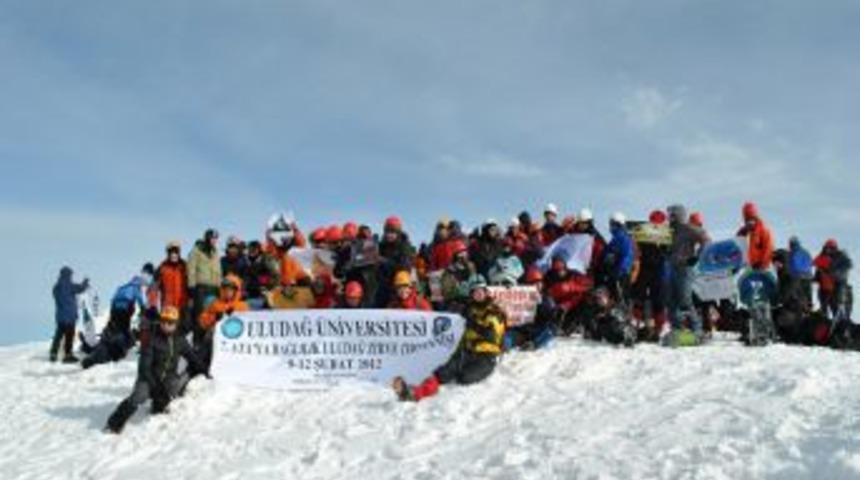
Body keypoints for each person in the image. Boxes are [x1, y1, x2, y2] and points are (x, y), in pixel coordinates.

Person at [391, 277, 506, 402]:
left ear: (486, 292)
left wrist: (472, 323)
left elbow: (491, 335)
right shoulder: (470, 308)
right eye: (474, 292)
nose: (478, 294)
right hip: (467, 352)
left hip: (487, 356)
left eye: (480, 291)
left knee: (465, 378)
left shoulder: (495, 311)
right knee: (442, 374)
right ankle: (413, 393)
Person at [104, 306, 208, 434]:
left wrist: (205, 371)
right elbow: (144, 367)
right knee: (139, 396)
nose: (166, 325)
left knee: (174, 387)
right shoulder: (151, 339)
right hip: (149, 378)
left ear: (176, 324)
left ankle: (158, 405)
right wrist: (156, 387)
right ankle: (114, 423)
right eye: (163, 321)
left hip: (168, 377)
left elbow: (192, 356)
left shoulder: (180, 340)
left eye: (170, 322)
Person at [82, 266, 153, 369]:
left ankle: (95, 352)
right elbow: (141, 302)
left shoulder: (122, 287)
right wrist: (145, 312)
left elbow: (113, 300)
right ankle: (106, 354)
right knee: (120, 337)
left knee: (113, 332)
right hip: (124, 312)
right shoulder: (136, 288)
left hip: (115, 311)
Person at [666, 204, 710, 342]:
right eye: (669, 214)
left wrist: (697, 256)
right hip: (671, 268)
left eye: (673, 214)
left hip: (685, 268)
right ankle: (678, 329)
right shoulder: (668, 231)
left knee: (685, 299)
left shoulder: (688, 228)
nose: (670, 217)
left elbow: (706, 239)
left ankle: (697, 330)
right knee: (671, 300)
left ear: (680, 215)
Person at [632, 210, 671, 341]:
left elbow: (636, 248)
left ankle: (636, 325)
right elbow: (669, 253)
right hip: (658, 270)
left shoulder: (642, 231)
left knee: (639, 298)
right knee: (657, 301)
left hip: (646, 269)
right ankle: (658, 328)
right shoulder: (667, 234)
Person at [198, 275, 250, 370]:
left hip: (237, 336)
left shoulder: (243, 306)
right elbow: (202, 322)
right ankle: (201, 365)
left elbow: (250, 323)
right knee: (209, 335)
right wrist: (215, 317)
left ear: (236, 291)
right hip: (218, 336)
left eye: (230, 289)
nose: (227, 292)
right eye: (225, 289)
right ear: (222, 290)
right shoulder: (215, 304)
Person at [504, 266, 559, 350]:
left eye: (539, 283)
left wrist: (549, 310)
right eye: (533, 283)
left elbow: (551, 320)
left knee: (551, 330)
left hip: (538, 331)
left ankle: (534, 344)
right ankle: (503, 346)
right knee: (507, 336)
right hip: (522, 331)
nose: (537, 285)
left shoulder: (547, 299)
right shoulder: (520, 297)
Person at [545, 254, 594, 335]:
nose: (559, 272)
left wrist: (571, 287)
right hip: (558, 306)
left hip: (573, 305)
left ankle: (583, 327)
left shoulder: (574, 274)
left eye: (561, 269)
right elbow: (548, 292)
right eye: (556, 270)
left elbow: (588, 286)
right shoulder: (549, 277)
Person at [187, 229, 222, 340]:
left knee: (213, 315)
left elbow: (219, 270)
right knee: (200, 315)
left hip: (214, 287)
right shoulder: (196, 251)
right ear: (207, 238)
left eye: (216, 239)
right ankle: (198, 342)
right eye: (212, 238)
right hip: (201, 287)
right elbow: (191, 269)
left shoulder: (215, 252)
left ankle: (210, 342)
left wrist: (220, 285)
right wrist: (191, 286)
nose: (214, 241)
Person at [50, 267, 90, 363]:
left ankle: (53, 353)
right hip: (70, 316)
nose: (72, 276)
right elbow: (80, 288)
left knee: (58, 335)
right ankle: (68, 355)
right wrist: (85, 282)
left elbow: (57, 297)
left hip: (60, 316)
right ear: (68, 274)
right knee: (69, 336)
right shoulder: (69, 285)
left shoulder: (56, 287)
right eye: (71, 274)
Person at [376, 216, 417, 306]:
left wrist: (385, 261)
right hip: (383, 283)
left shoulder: (404, 246)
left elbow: (404, 266)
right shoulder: (382, 246)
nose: (390, 235)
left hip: (399, 284)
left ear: (398, 233)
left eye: (393, 232)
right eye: (387, 232)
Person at [600, 212, 635, 304]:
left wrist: (621, 270)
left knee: (621, 297)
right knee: (612, 297)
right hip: (613, 273)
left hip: (620, 275)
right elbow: (606, 254)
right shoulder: (614, 239)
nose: (610, 227)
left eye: (612, 224)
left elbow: (627, 255)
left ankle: (624, 314)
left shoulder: (624, 238)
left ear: (618, 224)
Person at [815, 239, 853, 320]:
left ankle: (841, 322)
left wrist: (832, 273)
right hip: (825, 289)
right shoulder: (822, 257)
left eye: (830, 248)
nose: (828, 250)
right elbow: (819, 271)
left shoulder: (841, 257)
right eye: (826, 248)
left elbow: (846, 268)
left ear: (835, 248)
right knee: (824, 309)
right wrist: (816, 278)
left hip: (838, 288)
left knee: (837, 309)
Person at [440, 240, 482, 313]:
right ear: (455, 255)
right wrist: (459, 290)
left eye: (464, 252)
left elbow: (476, 282)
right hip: (456, 302)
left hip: (471, 300)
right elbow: (447, 291)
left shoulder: (471, 266)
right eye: (460, 253)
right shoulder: (449, 271)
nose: (463, 255)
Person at [737, 202, 774, 271]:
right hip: (750, 266)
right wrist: (741, 233)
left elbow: (768, 249)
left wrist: (763, 265)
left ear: (755, 217)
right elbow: (737, 243)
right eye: (746, 220)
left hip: (761, 267)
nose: (749, 222)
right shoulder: (745, 232)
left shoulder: (763, 231)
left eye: (751, 219)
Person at [243, 240, 281, 309]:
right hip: (251, 289)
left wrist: (266, 282)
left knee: (267, 302)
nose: (252, 251)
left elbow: (276, 276)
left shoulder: (267, 259)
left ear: (259, 250)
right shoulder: (247, 260)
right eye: (250, 249)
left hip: (266, 288)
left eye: (254, 249)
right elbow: (246, 275)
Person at [573, 208, 606, 274]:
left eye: (583, 223)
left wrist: (591, 266)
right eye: (579, 223)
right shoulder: (576, 233)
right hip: (578, 266)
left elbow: (599, 253)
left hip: (591, 270)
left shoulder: (595, 237)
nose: (580, 225)